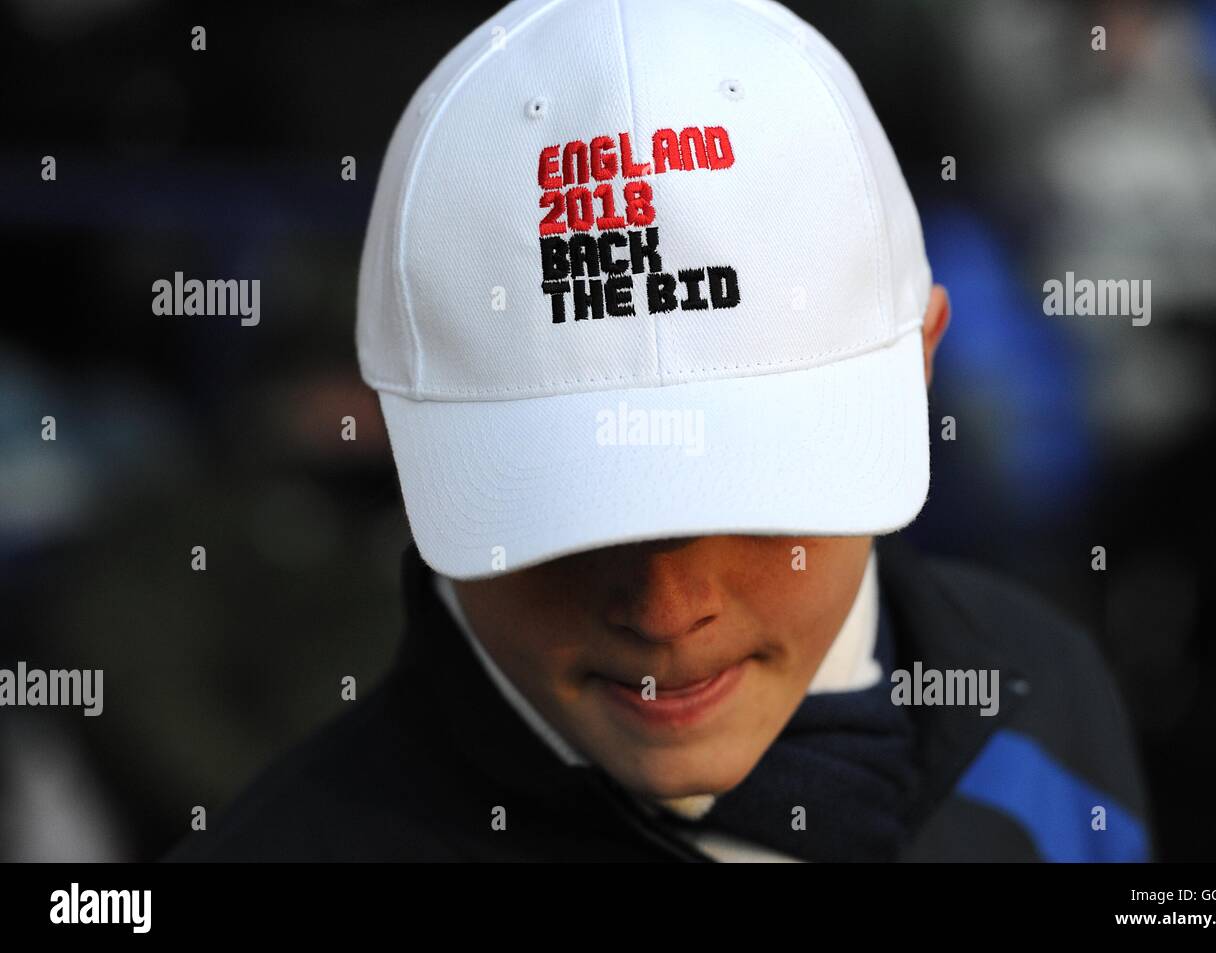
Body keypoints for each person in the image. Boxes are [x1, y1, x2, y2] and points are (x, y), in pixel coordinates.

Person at [163, 0, 1150, 863]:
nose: (667, 606)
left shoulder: (1041, 702)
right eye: (563, 514)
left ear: (916, 368)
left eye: (755, 492)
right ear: (396, 431)